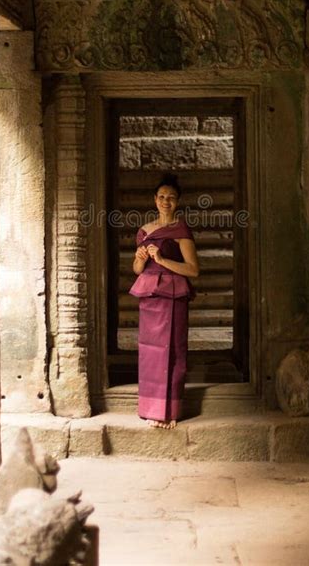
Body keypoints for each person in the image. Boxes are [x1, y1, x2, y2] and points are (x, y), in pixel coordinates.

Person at [129, 173, 199, 429]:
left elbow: (193, 270)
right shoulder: (145, 231)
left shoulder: (181, 230)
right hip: (150, 295)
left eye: (171, 197)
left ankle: (169, 412)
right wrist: (139, 258)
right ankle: (150, 409)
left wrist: (162, 260)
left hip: (173, 294)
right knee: (150, 352)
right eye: (161, 197)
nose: (165, 201)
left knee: (173, 350)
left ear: (178, 201)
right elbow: (138, 270)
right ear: (154, 200)